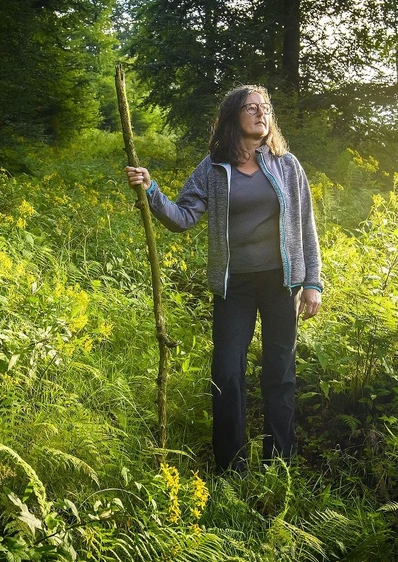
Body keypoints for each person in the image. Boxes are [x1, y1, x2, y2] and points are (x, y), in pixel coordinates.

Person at [125, 85, 323, 473]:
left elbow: (306, 225)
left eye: (265, 107)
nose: (260, 113)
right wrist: (151, 190)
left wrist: (312, 281)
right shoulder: (214, 168)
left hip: (282, 281)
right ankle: (232, 465)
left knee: (279, 371)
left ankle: (280, 460)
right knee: (227, 372)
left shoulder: (287, 165)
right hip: (234, 285)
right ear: (234, 117)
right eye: (251, 108)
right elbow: (181, 218)